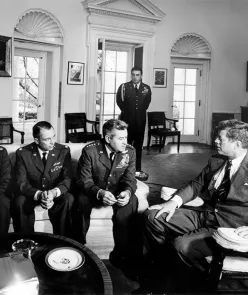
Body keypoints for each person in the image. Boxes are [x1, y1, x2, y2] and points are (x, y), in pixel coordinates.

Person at [143, 119, 248, 291]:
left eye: (220, 138)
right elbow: (196, 185)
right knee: (153, 217)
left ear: (237, 144)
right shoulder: (217, 161)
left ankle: (194, 287)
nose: (215, 141)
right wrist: (172, 203)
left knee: (182, 246)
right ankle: (165, 276)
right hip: (207, 215)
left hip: (231, 229)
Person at [74, 119, 141, 279]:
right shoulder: (90, 151)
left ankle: (122, 253)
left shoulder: (130, 151)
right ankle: (79, 247)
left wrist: (127, 191)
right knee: (80, 200)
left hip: (116, 191)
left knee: (132, 201)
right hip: (93, 191)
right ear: (107, 138)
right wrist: (100, 193)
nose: (125, 142)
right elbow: (83, 181)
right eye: (120, 138)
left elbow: (130, 179)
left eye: (126, 138)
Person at [12, 121, 74, 237]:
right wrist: (40, 194)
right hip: (33, 193)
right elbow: (21, 183)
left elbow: (68, 179)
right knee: (19, 202)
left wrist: (54, 192)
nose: (52, 142)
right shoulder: (23, 153)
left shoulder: (63, 151)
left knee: (68, 198)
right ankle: (26, 242)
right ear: (36, 140)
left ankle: (62, 241)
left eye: (53, 137)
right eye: (47, 139)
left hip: (54, 192)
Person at [116, 66, 151, 176]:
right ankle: (123, 170)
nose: (135, 77)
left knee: (138, 146)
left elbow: (146, 104)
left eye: (137, 75)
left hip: (140, 121)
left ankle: (137, 170)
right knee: (125, 146)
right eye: (133, 74)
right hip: (127, 121)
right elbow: (119, 101)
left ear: (141, 75)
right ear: (131, 75)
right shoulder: (124, 87)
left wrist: (138, 113)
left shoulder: (146, 88)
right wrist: (127, 112)